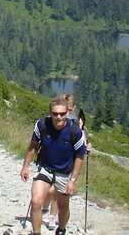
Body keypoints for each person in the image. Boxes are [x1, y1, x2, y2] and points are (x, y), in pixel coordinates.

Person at [21, 96, 87, 235]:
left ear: (67, 113)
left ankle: (61, 229)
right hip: (45, 168)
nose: (58, 117)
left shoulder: (75, 132)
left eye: (62, 114)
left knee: (63, 206)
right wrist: (25, 166)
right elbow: (33, 146)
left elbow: (80, 157)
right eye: (55, 114)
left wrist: (73, 180)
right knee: (36, 201)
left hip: (63, 173)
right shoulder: (42, 125)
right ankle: (36, 232)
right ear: (50, 113)